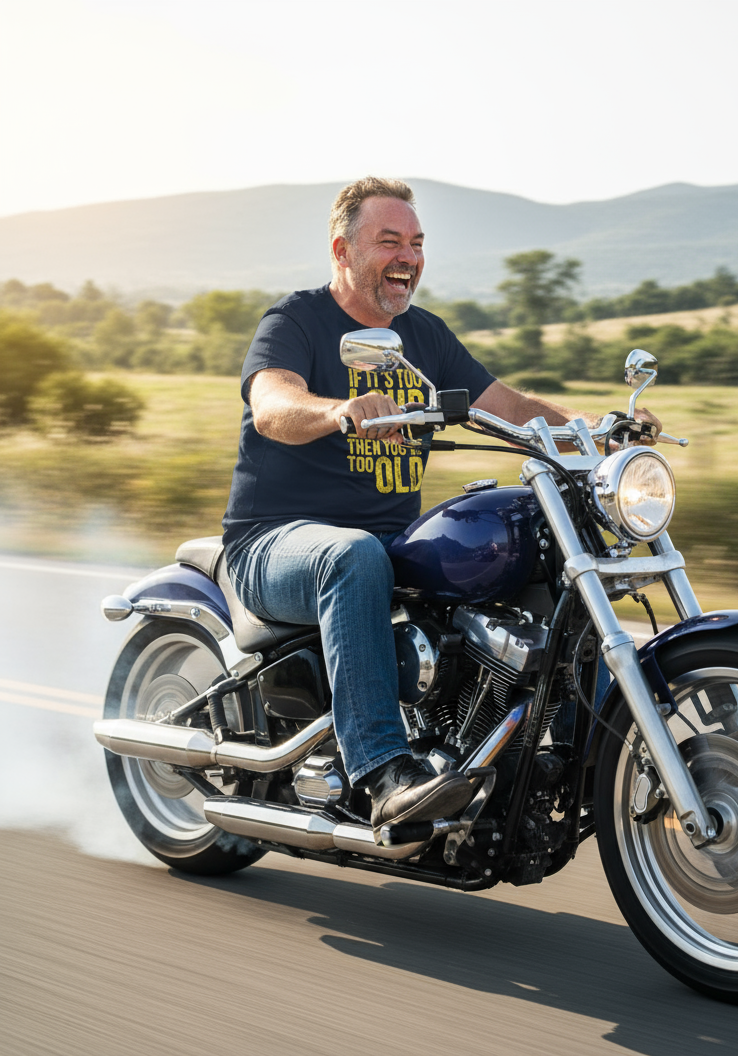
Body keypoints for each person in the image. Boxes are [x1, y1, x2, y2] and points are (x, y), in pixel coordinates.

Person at [222, 176, 660, 836]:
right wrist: (339, 410)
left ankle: (572, 749)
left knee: (535, 544)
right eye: (389, 241)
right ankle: (382, 774)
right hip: (276, 543)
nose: (407, 257)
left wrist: (595, 426)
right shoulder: (297, 321)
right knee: (353, 555)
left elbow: (510, 409)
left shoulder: (422, 337)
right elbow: (273, 405)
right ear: (342, 250)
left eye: (418, 243)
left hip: (390, 547)